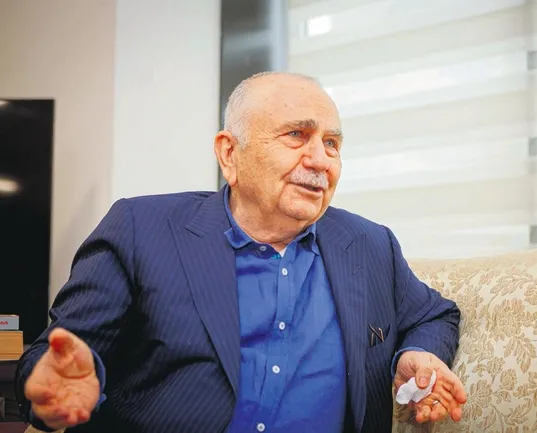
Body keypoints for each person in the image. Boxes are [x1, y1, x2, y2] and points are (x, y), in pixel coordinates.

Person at [15, 71, 467, 433]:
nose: (320, 160)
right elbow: (59, 354)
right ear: (229, 154)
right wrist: (52, 387)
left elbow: (435, 315)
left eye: (332, 143)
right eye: (297, 135)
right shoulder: (141, 229)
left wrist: (417, 354)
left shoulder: (369, 244)